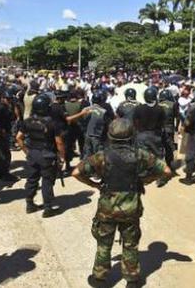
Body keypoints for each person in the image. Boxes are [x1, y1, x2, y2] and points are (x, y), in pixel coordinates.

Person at [72, 118, 173, 288]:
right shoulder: (140, 154)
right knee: (130, 244)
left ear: (110, 135)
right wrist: (146, 180)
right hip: (131, 208)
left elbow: (76, 172)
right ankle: (132, 280)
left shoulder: (101, 156)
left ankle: (99, 278)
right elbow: (166, 170)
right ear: (131, 135)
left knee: (104, 243)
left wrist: (95, 185)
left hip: (107, 208)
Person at [16, 95, 66, 217]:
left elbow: (18, 137)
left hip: (33, 153)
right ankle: (48, 208)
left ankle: (29, 204)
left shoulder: (27, 121)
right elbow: (59, 142)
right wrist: (62, 157)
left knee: (32, 179)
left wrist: (26, 151)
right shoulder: (52, 123)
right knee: (47, 181)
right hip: (47, 155)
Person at [158, 89, 179, 169]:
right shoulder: (173, 104)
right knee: (169, 147)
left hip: (159, 129)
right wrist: (176, 127)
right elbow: (177, 117)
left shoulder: (157, 104)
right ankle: (169, 164)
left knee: (159, 146)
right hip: (169, 129)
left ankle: (160, 165)